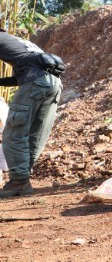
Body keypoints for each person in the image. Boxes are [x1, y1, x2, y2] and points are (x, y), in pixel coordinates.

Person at [0, 28, 64, 197]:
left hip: (36, 82)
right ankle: (22, 179)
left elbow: (30, 75)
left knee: (15, 132)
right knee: (36, 133)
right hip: (54, 83)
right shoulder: (19, 43)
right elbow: (19, 77)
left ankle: (19, 182)